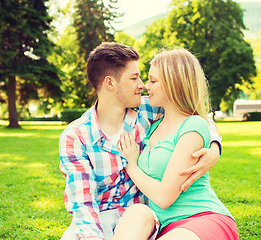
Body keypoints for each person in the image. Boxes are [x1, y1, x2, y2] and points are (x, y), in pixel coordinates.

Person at [59, 42, 222, 240]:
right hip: (95, 223)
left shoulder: (148, 109)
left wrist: (214, 147)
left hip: (140, 221)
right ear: (110, 83)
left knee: (138, 215)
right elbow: (83, 205)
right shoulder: (75, 136)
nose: (143, 85)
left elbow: (195, 118)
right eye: (134, 78)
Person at [115, 48, 238, 240]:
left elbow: (164, 198)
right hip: (163, 226)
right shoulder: (152, 124)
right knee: (135, 212)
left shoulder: (193, 125)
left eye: (153, 81)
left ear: (174, 84)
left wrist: (131, 165)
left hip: (201, 218)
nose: (146, 86)